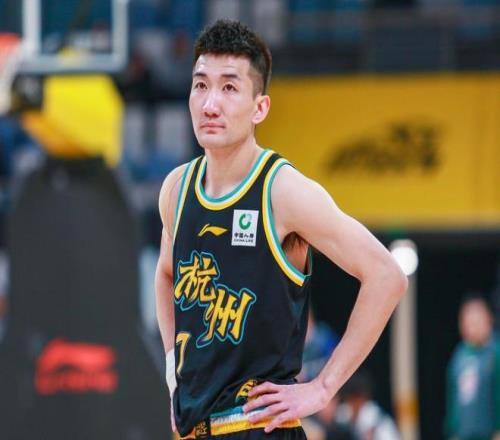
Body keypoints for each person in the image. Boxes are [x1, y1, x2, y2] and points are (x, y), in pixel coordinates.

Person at [155, 19, 407, 439]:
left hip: (259, 426)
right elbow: (166, 275)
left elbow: (387, 276)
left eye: (229, 87)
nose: (210, 103)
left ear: (260, 108)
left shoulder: (283, 191)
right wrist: (171, 371)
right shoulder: (176, 189)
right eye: (200, 85)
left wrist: (322, 388)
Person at [445, 295, 500, 440]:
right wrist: (452, 431)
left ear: (488, 319)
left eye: (476, 320)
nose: (471, 326)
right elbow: (453, 398)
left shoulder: (496, 352)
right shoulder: (459, 355)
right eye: (467, 321)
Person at [337, 370, 400, 440]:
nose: (347, 404)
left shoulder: (371, 418)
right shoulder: (358, 417)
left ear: (358, 398)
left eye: (349, 400)